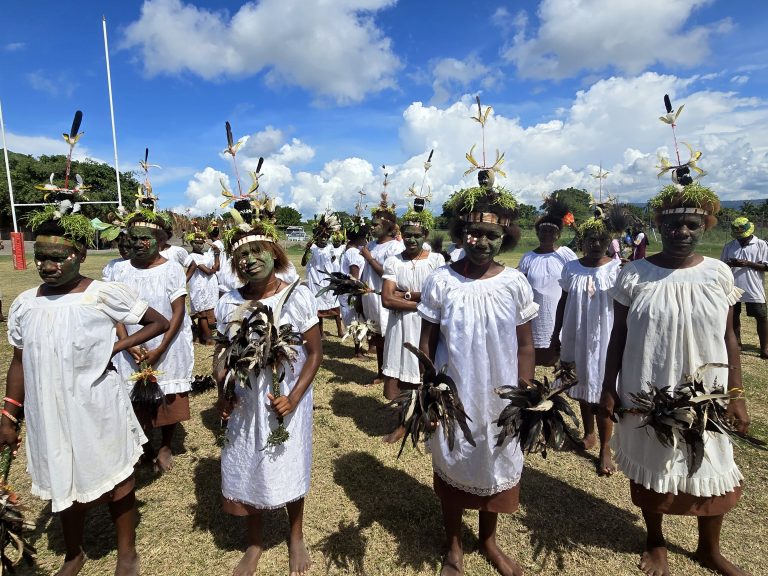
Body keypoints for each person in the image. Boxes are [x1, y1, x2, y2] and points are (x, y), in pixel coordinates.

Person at [1, 210, 169, 576]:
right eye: (41, 257)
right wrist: (9, 414)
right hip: (47, 413)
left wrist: (114, 348)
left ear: (78, 254)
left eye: (57, 258)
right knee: (62, 476)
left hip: (97, 407)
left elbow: (159, 321)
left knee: (118, 478)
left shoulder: (102, 294)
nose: (47, 266)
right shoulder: (26, 303)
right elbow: (18, 362)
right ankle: (73, 554)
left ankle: (127, 552)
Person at [600, 182, 750, 576]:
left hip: (707, 395)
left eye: (691, 225)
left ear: (705, 227)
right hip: (647, 389)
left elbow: (730, 338)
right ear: (658, 228)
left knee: (712, 463)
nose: (681, 232)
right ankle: (655, 540)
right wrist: (608, 387)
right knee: (654, 460)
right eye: (673, 225)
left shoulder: (718, 274)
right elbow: (618, 337)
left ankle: (708, 549)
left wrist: (736, 394)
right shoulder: (634, 275)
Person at [418, 181, 536, 576]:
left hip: (502, 397)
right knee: (454, 459)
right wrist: (429, 392)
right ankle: (454, 545)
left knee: (494, 462)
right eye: (474, 232)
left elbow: (524, 345)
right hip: (455, 393)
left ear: (504, 238)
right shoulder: (441, 280)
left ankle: (488, 540)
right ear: (459, 233)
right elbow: (427, 342)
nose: (481, 241)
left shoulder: (515, 283)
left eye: (491, 235)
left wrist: (525, 393)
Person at [214, 220, 322, 576]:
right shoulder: (229, 301)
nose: (249, 260)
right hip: (244, 398)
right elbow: (221, 350)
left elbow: (315, 353)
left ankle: (296, 536)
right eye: (241, 255)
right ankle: (255, 542)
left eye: (256, 251)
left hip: (286, 397)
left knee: (287, 458)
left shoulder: (296, 295)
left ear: (274, 254)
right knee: (249, 461)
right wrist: (223, 390)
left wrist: (292, 397)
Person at [106, 210, 194, 473]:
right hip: (128, 342)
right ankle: (142, 445)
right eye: (132, 238)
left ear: (159, 241)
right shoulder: (118, 270)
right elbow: (113, 309)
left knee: (167, 393)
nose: (136, 244)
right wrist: (128, 342)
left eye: (144, 239)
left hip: (167, 341)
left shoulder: (171, 269)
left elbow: (177, 311)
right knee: (134, 396)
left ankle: (165, 444)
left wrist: (160, 348)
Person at [551, 216, 622, 475]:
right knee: (581, 381)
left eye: (601, 239)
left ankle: (605, 447)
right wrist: (555, 333)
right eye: (590, 239)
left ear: (609, 242)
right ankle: (589, 431)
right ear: (582, 241)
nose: (596, 243)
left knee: (603, 388)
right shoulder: (571, 268)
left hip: (605, 336)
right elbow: (563, 301)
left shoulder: (617, 269)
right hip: (575, 333)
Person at [381, 208, 445, 402]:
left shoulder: (436, 260)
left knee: (424, 365)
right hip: (399, 325)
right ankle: (401, 413)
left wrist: (407, 295)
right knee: (398, 363)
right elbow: (387, 299)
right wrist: (423, 302)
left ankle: (424, 412)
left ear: (424, 235)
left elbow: (440, 298)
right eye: (407, 235)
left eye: (417, 236)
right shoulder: (394, 261)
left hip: (427, 325)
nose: (411, 240)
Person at [517, 201, 577, 366]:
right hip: (536, 310)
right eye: (543, 231)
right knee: (538, 342)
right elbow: (520, 282)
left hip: (560, 307)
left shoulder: (565, 254)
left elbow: (575, 276)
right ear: (538, 233)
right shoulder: (528, 257)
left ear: (558, 234)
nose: (547, 235)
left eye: (551, 231)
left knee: (559, 343)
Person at [361, 201, 404, 385]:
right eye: (372, 223)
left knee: (390, 336)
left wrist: (369, 259)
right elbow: (366, 273)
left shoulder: (395, 247)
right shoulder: (370, 244)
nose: (372, 227)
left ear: (388, 227)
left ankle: (393, 373)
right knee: (377, 336)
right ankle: (381, 372)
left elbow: (388, 275)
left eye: (376, 224)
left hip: (385, 298)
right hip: (370, 297)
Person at [721, 216, 768, 358]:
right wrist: (731, 263)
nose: (741, 239)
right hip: (733, 286)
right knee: (733, 315)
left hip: (753, 288)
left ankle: (765, 347)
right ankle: (737, 343)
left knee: (761, 316)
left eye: (743, 237)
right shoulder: (729, 246)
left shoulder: (761, 245)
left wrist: (748, 263)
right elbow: (722, 266)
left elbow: (766, 266)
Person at [302, 232, 342, 336]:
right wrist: (307, 250)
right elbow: (303, 263)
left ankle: (340, 331)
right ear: (317, 237)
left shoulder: (330, 247)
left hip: (328, 278)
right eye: (322, 236)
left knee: (334, 302)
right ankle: (321, 332)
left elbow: (333, 260)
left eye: (326, 236)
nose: (324, 238)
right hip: (315, 279)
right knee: (318, 304)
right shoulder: (312, 248)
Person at [185, 231, 220, 344]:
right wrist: (213, 270)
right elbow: (208, 271)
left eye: (201, 243)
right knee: (203, 314)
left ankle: (201, 337)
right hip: (201, 287)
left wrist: (216, 254)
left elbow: (217, 267)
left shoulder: (205, 255)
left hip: (210, 286)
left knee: (207, 312)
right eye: (196, 243)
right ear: (191, 243)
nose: (199, 245)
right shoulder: (192, 256)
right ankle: (208, 339)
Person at [339, 226, 368, 357]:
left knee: (359, 320)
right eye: (364, 238)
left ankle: (360, 348)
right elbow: (354, 275)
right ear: (359, 238)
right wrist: (359, 290)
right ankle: (358, 351)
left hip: (353, 291)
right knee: (356, 320)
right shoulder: (353, 253)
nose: (366, 240)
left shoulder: (351, 250)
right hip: (352, 292)